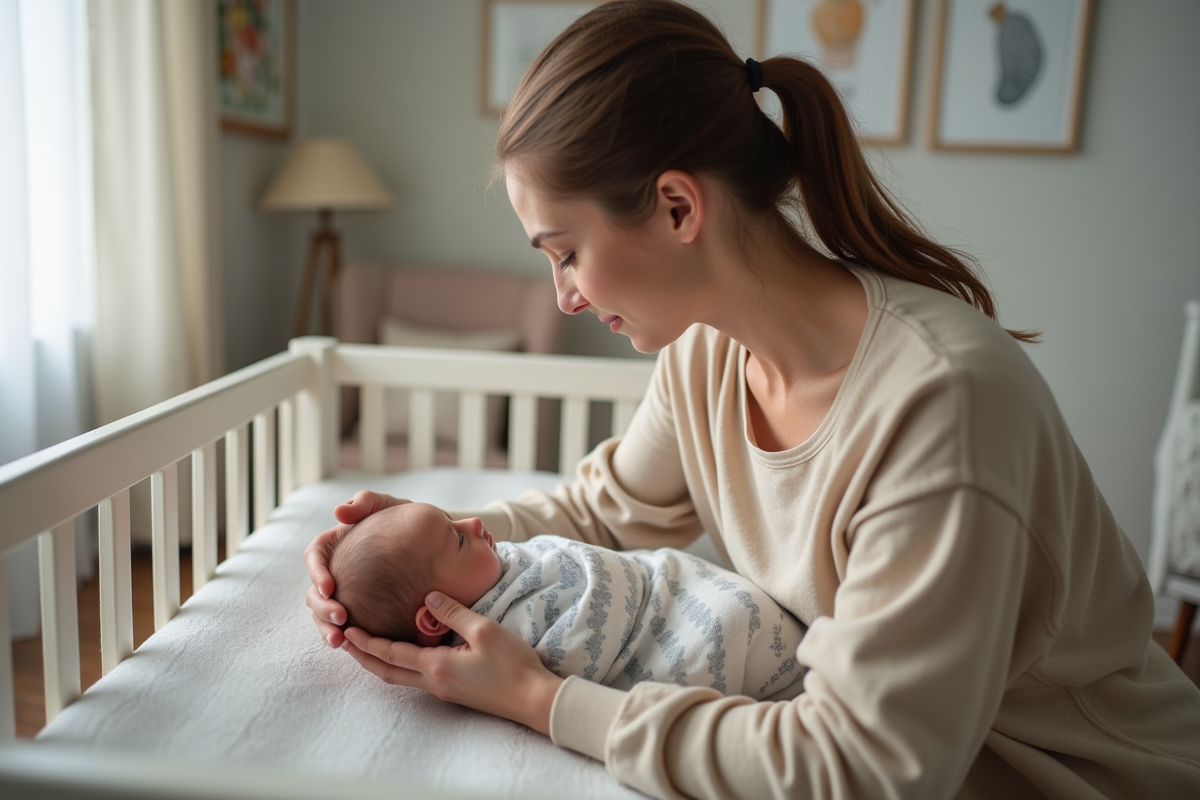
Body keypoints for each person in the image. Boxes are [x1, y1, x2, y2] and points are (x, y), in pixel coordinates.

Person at [304, 1, 1200, 797]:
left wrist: (546, 702)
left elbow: (859, 768)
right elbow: (603, 512)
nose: (564, 297)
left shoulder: (942, 406)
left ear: (677, 207)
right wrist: (412, 549)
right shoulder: (706, 354)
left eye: (566, 253)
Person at [328, 501, 807, 700]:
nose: (473, 523)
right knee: (729, 624)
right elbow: (575, 655)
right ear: (434, 618)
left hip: (671, 588)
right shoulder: (508, 635)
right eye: (456, 539)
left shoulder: (499, 568)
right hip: (707, 632)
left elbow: (591, 553)